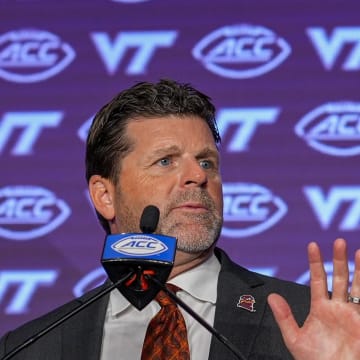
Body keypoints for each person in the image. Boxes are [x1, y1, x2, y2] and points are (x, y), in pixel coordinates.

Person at [0, 79, 359, 360]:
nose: (198, 176)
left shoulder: (308, 320)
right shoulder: (33, 346)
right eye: (166, 161)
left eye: (207, 162)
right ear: (104, 196)